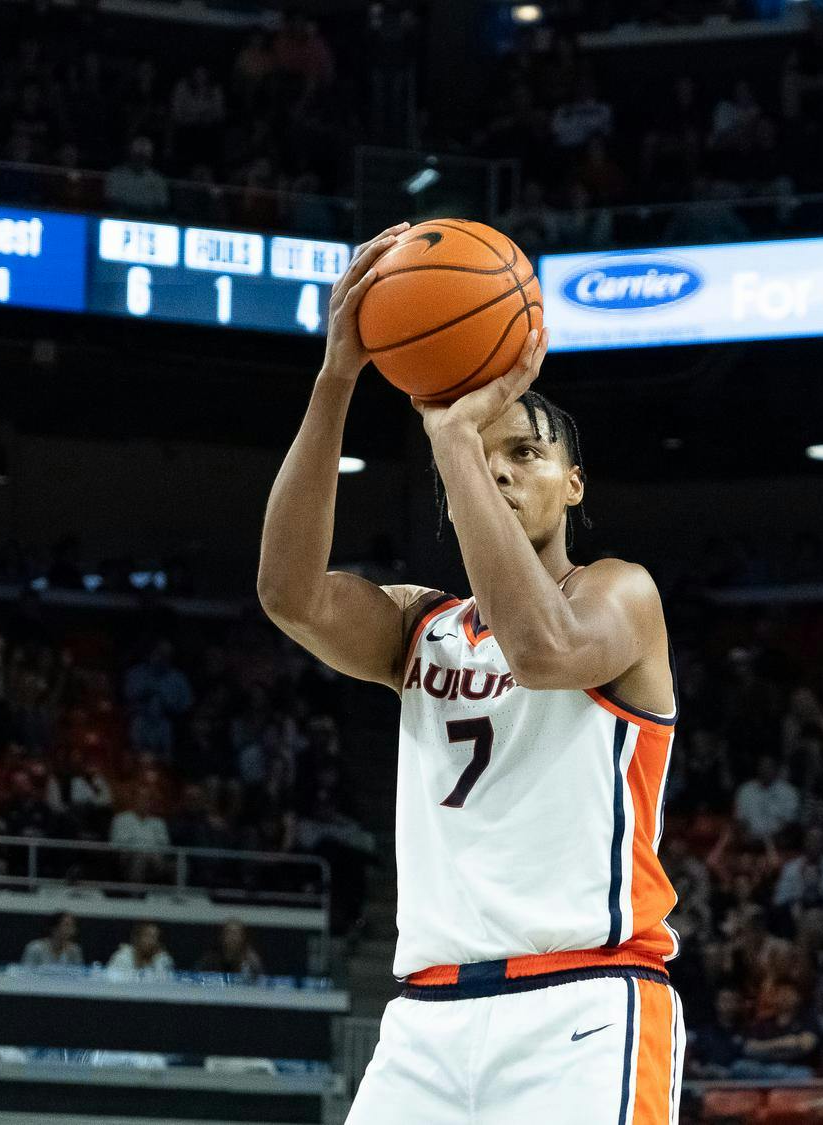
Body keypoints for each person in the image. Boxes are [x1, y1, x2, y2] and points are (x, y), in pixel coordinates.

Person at [259, 224, 682, 1124]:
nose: (499, 470)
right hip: (425, 1019)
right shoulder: (422, 625)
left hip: (585, 1003)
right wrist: (337, 379)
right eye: (483, 460)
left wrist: (454, 436)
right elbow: (288, 595)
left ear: (574, 483)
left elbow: (544, 651)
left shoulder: (621, 595)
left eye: (524, 453)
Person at [106, 920, 174, 980]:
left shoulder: (163, 960)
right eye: (148, 936)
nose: (152, 941)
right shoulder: (122, 957)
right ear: (136, 938)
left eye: (155, 937)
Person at [197, 919, 266, 978]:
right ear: (222, 936)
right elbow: (196, 976)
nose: (232, 937)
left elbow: (260, 982)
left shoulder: (251, 959)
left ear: (243, 937)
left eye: (236, 933)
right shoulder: (210, 958)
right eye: (229, 932)